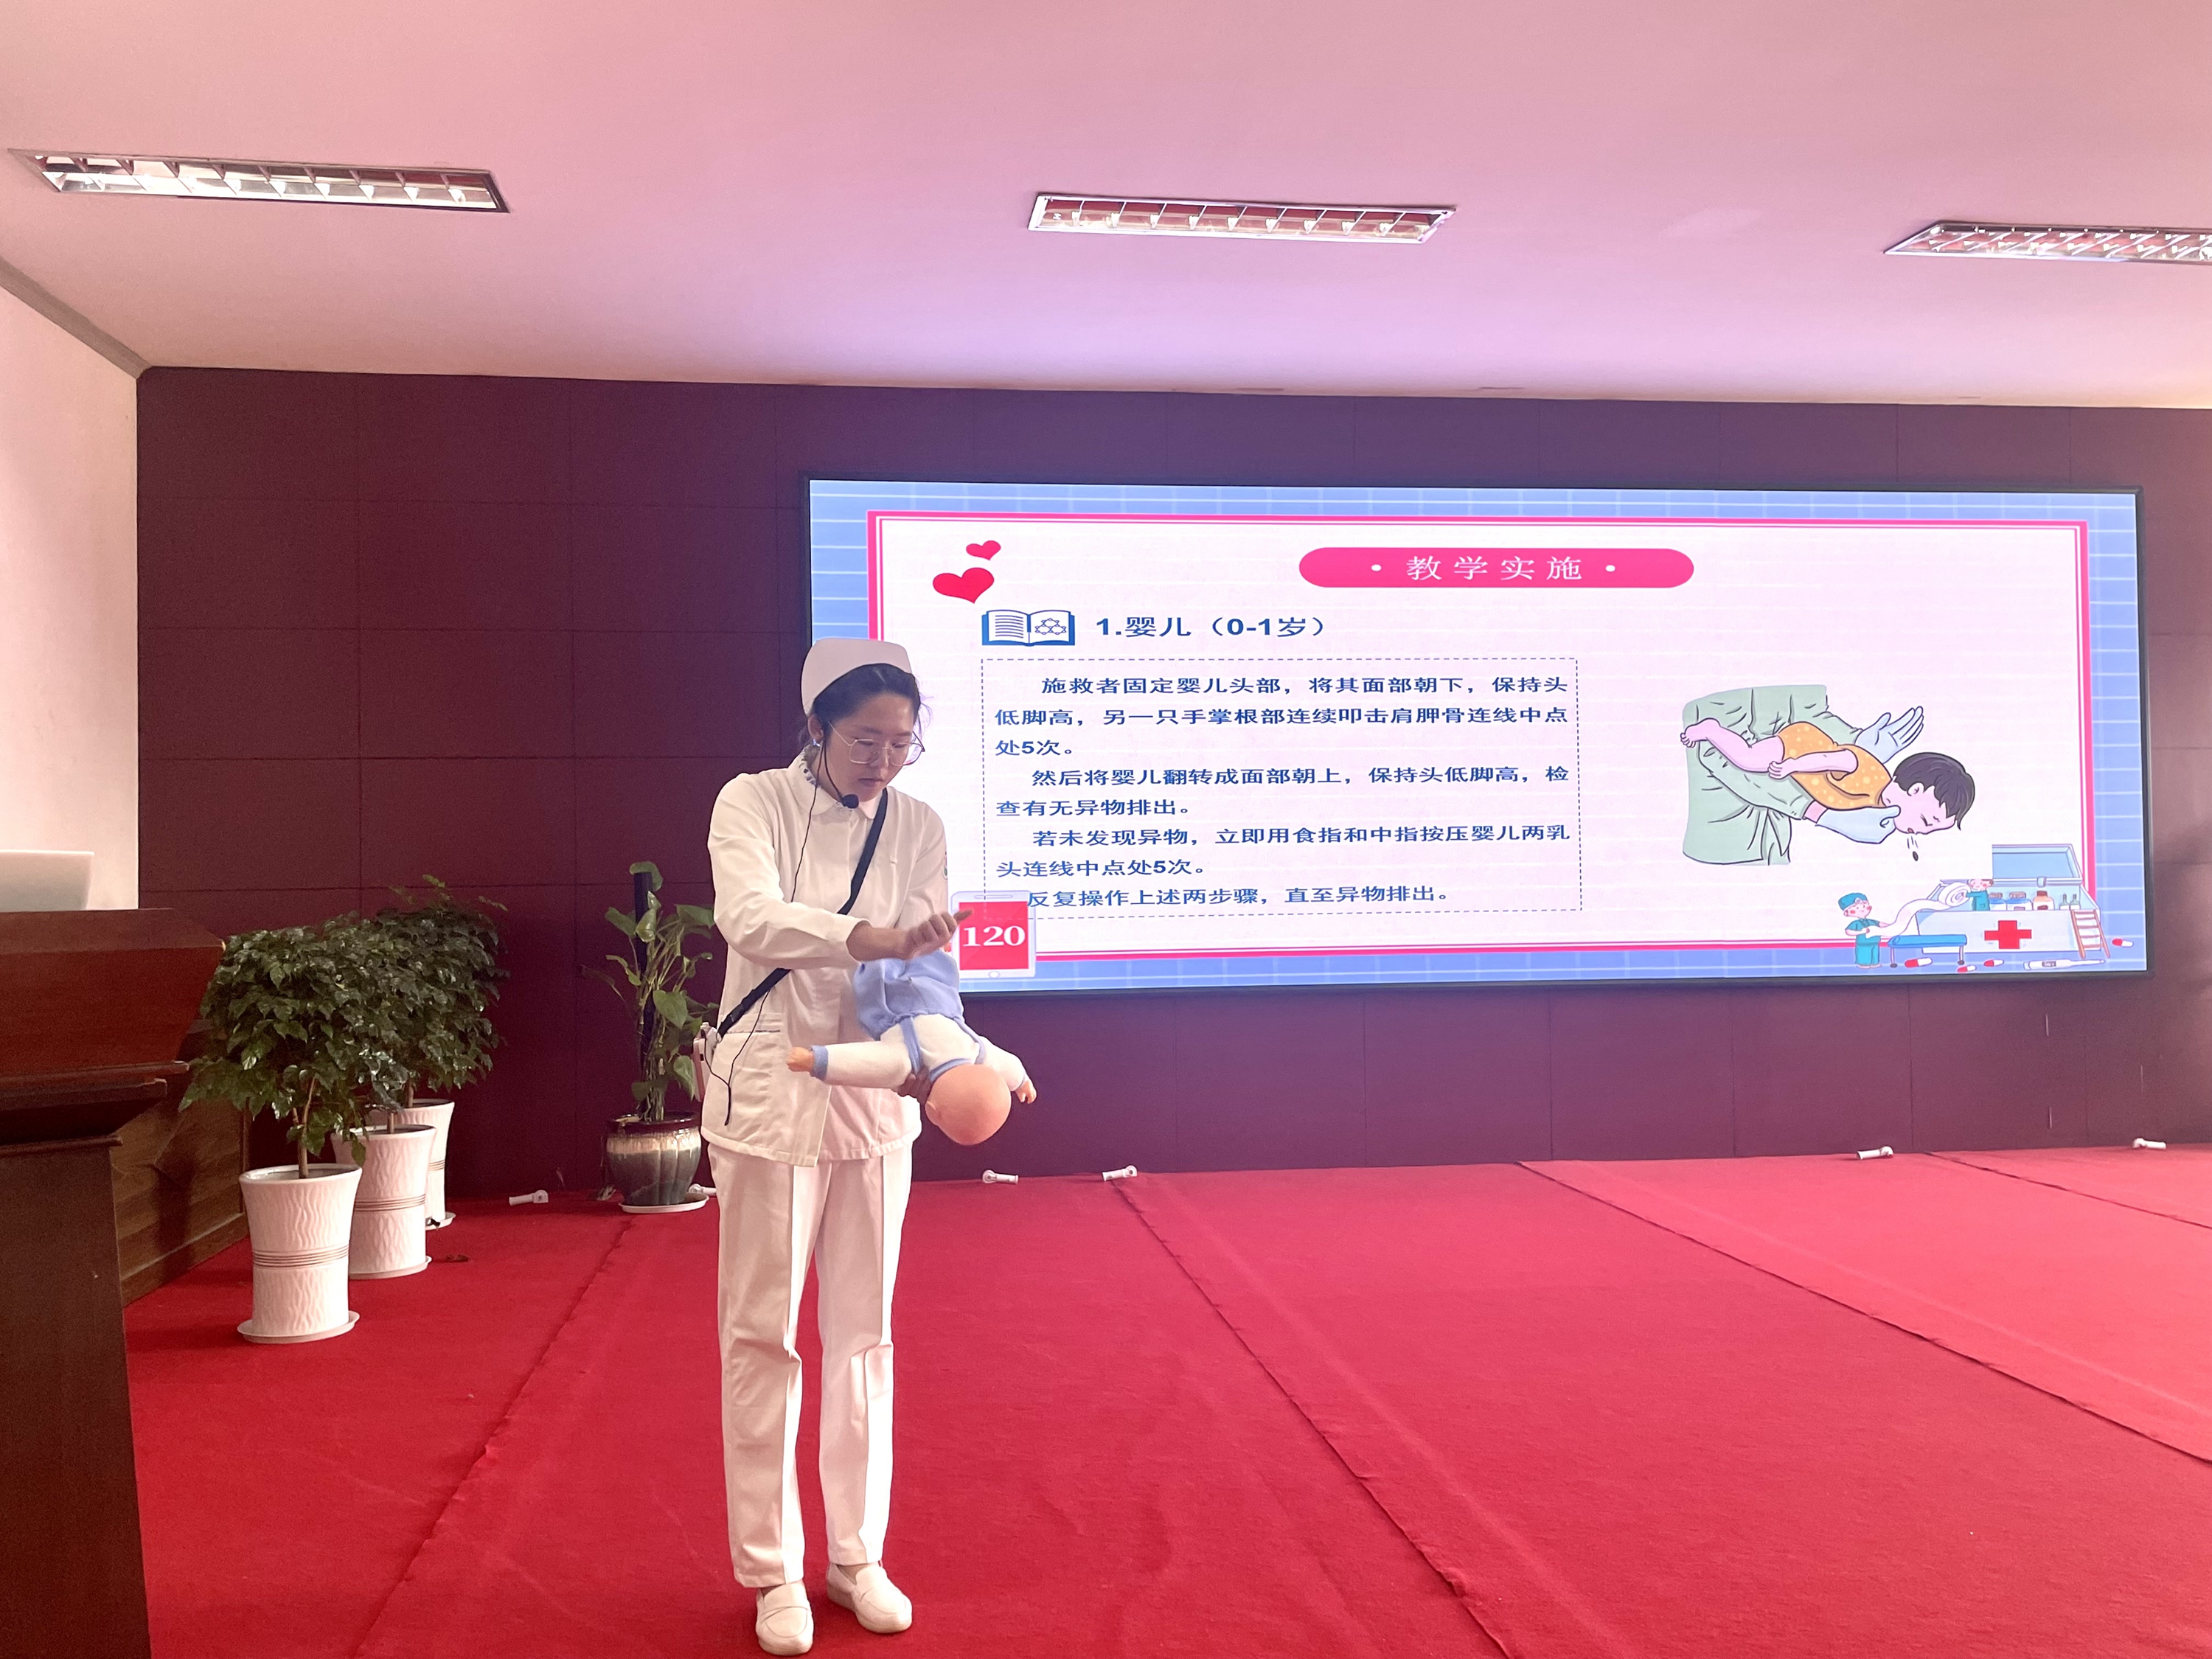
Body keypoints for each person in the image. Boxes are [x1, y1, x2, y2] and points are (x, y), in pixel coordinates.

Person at [702, 638, 961, 1657]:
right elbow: (750, 919)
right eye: (866, 740)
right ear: (816, 727)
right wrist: (868, 938)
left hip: (874, 1100)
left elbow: (928, 970)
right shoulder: (752, 801)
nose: (885, 761)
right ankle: (773, 1570)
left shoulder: (920, 823)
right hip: (771, 1096)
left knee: (865, 1336)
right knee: (762, 1335)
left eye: (902, 743)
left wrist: (949, 1058)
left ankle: (857, 1555)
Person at [1677, 686, 1975, 864]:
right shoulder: (1870, 776)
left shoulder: (1877, 805)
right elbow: (1834, 759)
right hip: (1799, 746)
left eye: (1930, 831)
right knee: (1747, 759)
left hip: (1805, 759)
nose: (1921, 832)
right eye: (1925, 820)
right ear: (1916, 790)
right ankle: (1711, 730)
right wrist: (1793, 765)